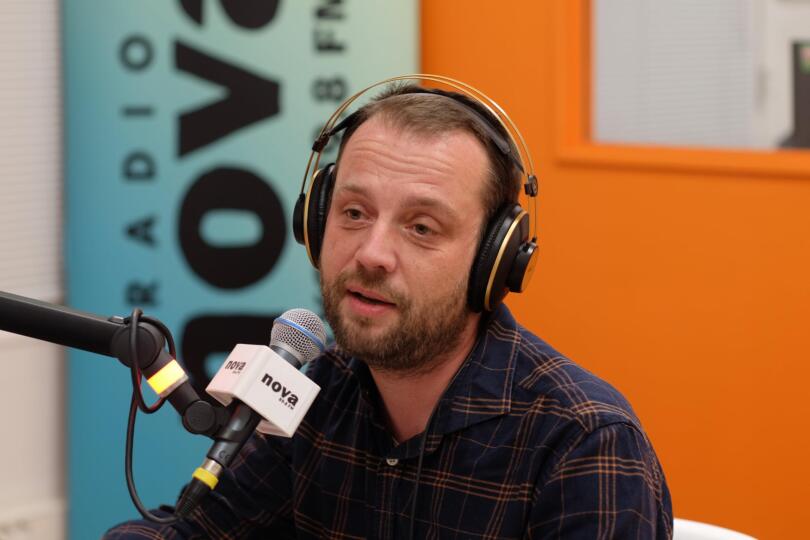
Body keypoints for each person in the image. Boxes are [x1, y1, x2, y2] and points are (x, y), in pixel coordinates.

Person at [107, 80, 673, 539]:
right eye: (353, 213)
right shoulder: (315, 397)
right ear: (315, 221)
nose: (372, 254)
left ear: (494, 262)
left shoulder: (582, 443)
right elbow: (187, 531)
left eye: (421, 227)